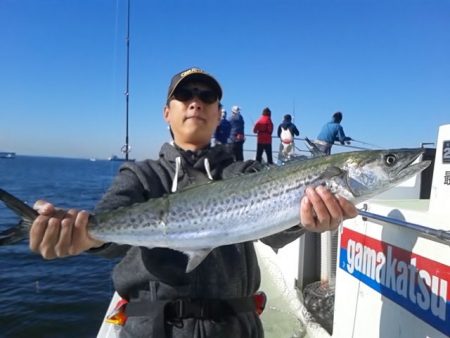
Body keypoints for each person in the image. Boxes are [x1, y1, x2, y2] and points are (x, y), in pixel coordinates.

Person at [29, 67, 358, 338]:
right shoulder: (142, 175)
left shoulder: (243, 172)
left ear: (219, 115)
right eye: (184, 95)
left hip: (235, 330)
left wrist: (309, 220)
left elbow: (274, 232)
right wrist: (82, 236)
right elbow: (107, 229)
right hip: (150, 330)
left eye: (207, 96)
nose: (195, 102)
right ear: (166, 112)